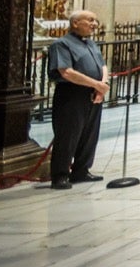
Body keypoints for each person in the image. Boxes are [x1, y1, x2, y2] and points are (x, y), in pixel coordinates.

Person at [46, 10, 109, 189]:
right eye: (90, 20)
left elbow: (102, 65)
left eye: (95, 20)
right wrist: (97, 85)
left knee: (89, 134)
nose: (94, 24)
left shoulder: (91, 43)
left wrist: (102, 86)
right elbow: (66, 72)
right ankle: (60, 175)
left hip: (93, 94)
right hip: (71, 95)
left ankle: (81, 171)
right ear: (75, 23)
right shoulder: (62, 44)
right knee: (68, 136)